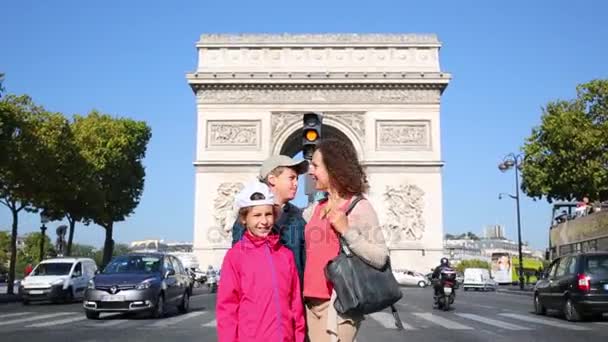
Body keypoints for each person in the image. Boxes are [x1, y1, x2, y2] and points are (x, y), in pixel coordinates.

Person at [302, 138, 389, 342]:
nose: (310, 171)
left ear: (333, 168)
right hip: (310, 304)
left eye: (315, 165)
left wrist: (347, 230)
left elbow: (380, 257)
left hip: (338, 305)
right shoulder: (315, 209)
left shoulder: (359, 207)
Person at [217, 181, 305, 342]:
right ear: (244, 219)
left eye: (268, 214)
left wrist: (298, 337)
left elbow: (295, 304)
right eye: (257, 215)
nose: (264, 221)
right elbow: (227, 308)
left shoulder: (286, 255)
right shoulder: (235, 257)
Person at [231, 155, 309, 284]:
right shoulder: (246, 219)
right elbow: (237, 265)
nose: (296, 184)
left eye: (297, 179)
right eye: (291, 178)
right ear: (272, 179)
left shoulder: (299, 218)